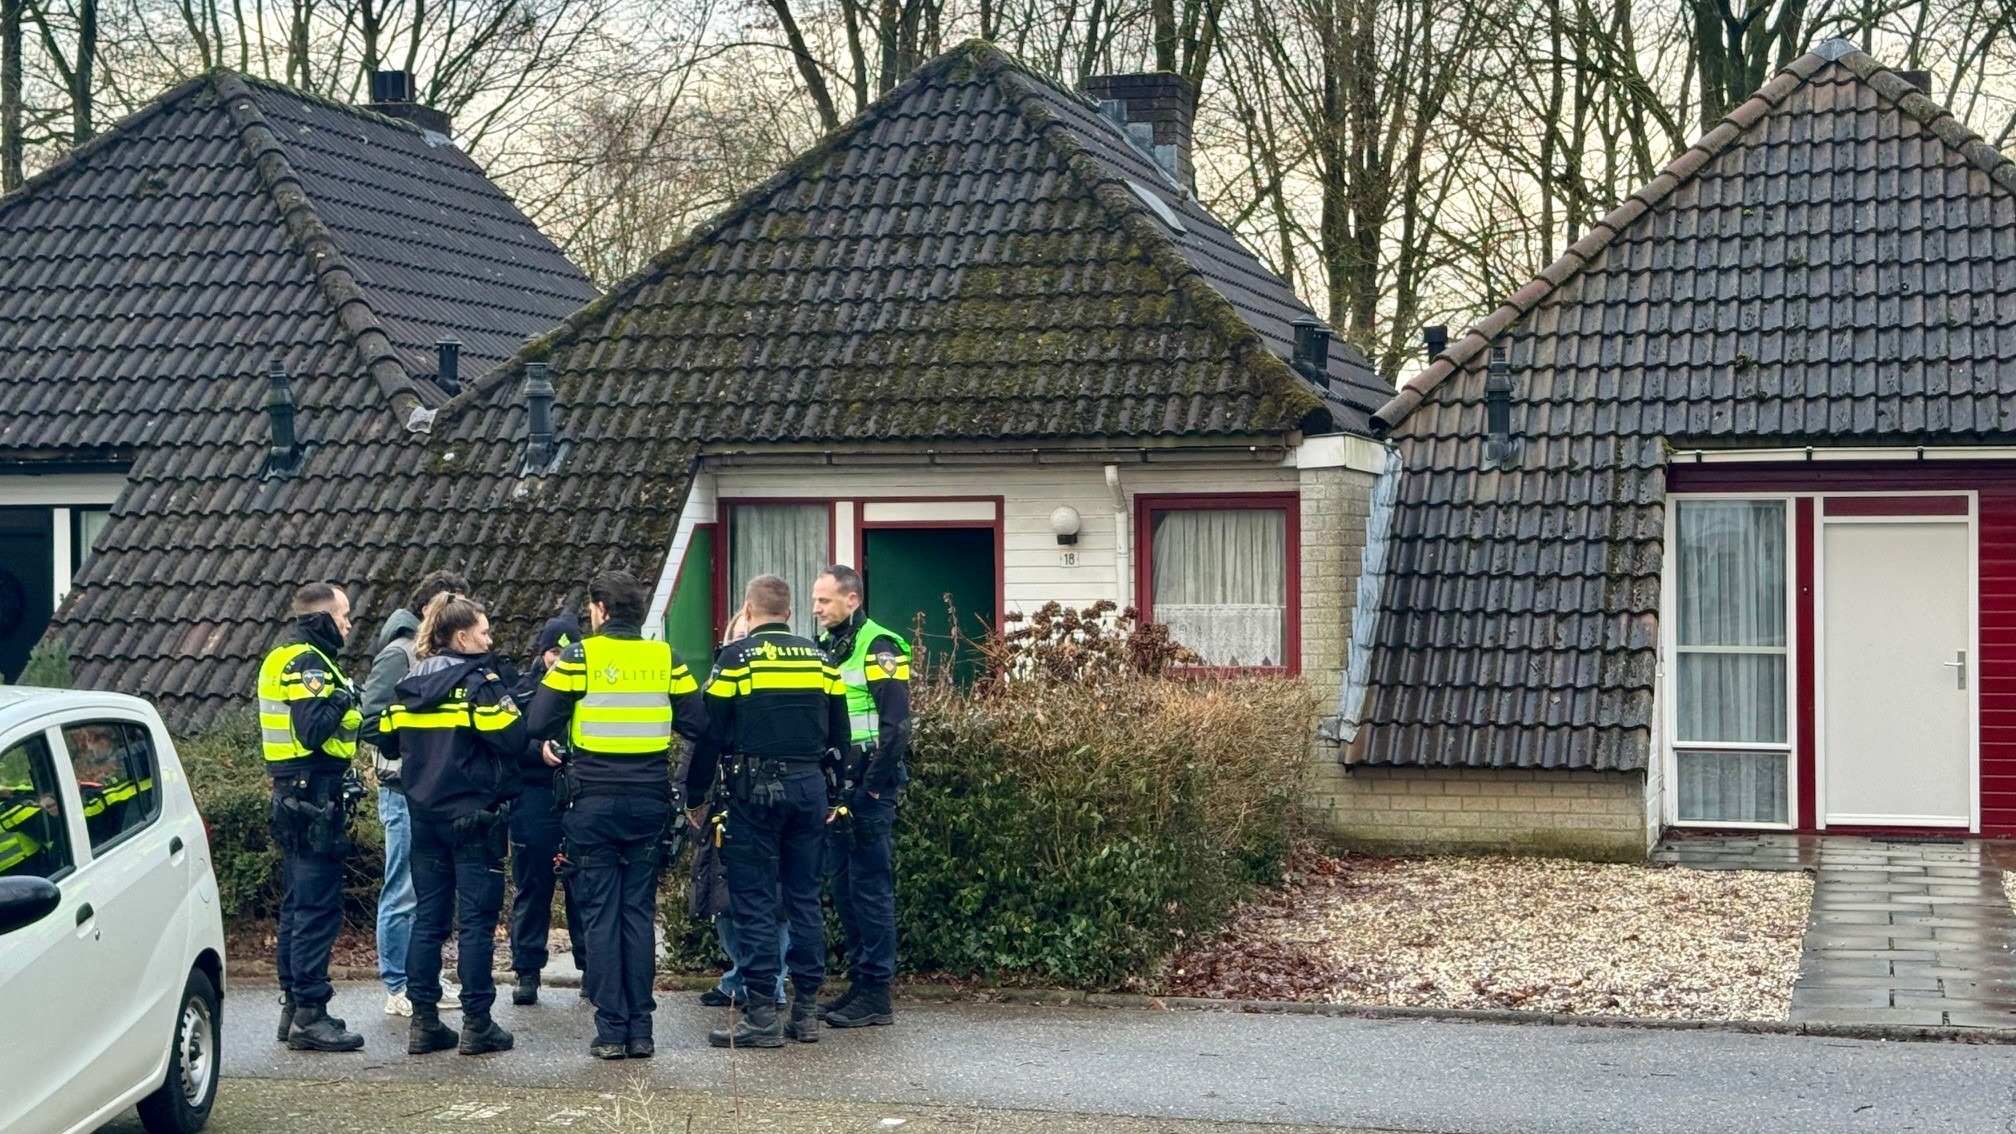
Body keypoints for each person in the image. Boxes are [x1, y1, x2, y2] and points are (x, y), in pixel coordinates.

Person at [528, 569, 706, 1060]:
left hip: (592, 803)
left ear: (600, 609)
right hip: (649, 798)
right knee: (638, 913)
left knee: (600, 914)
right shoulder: (664, 657)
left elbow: (538, 721)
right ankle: (642, 1030)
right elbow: (696, 721)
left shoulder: (580, 655)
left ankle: (611, 1032)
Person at [686, 574, 850, 1049]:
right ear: (791, 612)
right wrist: (836, 795)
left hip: (754, 793)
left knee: (755, 901)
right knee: (804, 900)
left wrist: (695, 796)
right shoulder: (821, 660)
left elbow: (709, 734)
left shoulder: (736, 658)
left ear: (749, 611)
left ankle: (761, 1016)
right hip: (810, 789)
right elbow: (841, 736)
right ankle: (805, 1015)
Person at [375, 592, 525, 1056]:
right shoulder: (481, 683)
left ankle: (425, 1024)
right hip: (474, 817)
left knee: (428, 922)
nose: (490, 638)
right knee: (477, 924)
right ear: (461, 637)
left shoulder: (409, 684)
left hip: (424, 818)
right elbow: (514, 738)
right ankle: (478, 1024)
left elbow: (389, 742)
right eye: (483, 631)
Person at [258, 582, 365, 1052]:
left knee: (298, 906)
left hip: (293, 793)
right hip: (313, 795)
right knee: (317, 909)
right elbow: (314, 729)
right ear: (322, 619)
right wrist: (347, 698)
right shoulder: (309, 664)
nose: (347, 624)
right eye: (343, 616)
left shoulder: (281, 656)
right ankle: (310, 1014)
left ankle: (293, 1007)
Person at [361, 569, 469, 1019]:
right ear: (429, 609)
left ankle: (420, 977)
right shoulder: (399, 654)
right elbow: (371, 719)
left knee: (425, 892)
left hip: (426, 788)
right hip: (402, 787)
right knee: (402, 889)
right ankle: (398, 984)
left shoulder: (425, 654)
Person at [810, 565, 911, 1028]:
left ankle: (876, 994)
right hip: (839, 788)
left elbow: (896, 727)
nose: (816, 609)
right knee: (845, 890)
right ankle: (859, 985)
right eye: (814, 600)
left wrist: (871, 785)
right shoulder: (833, 646)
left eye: (824, 600)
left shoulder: (879, 645)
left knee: (870, 891)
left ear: (852, 599)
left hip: (869, 787)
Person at [695, 610, 787, 1011]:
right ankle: (740, 977)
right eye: (737, 639)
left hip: (762, 800)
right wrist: (690, 797)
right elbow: (699, 743)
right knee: (725, 906)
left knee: (771, 902)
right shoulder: (717, 684)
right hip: (720, 805)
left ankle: (767, 986)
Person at [507, 615, 588, 1005]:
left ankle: (592, 969)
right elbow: (507, 741)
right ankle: (526, 971)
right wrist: (536, 751)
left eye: (567, 652)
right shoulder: (522, 692)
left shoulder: (589, 686)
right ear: (543, 654)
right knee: (532, 888)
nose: (559, 659)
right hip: (535, 797)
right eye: (555, 651)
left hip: (581, 795)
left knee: (585, 888)